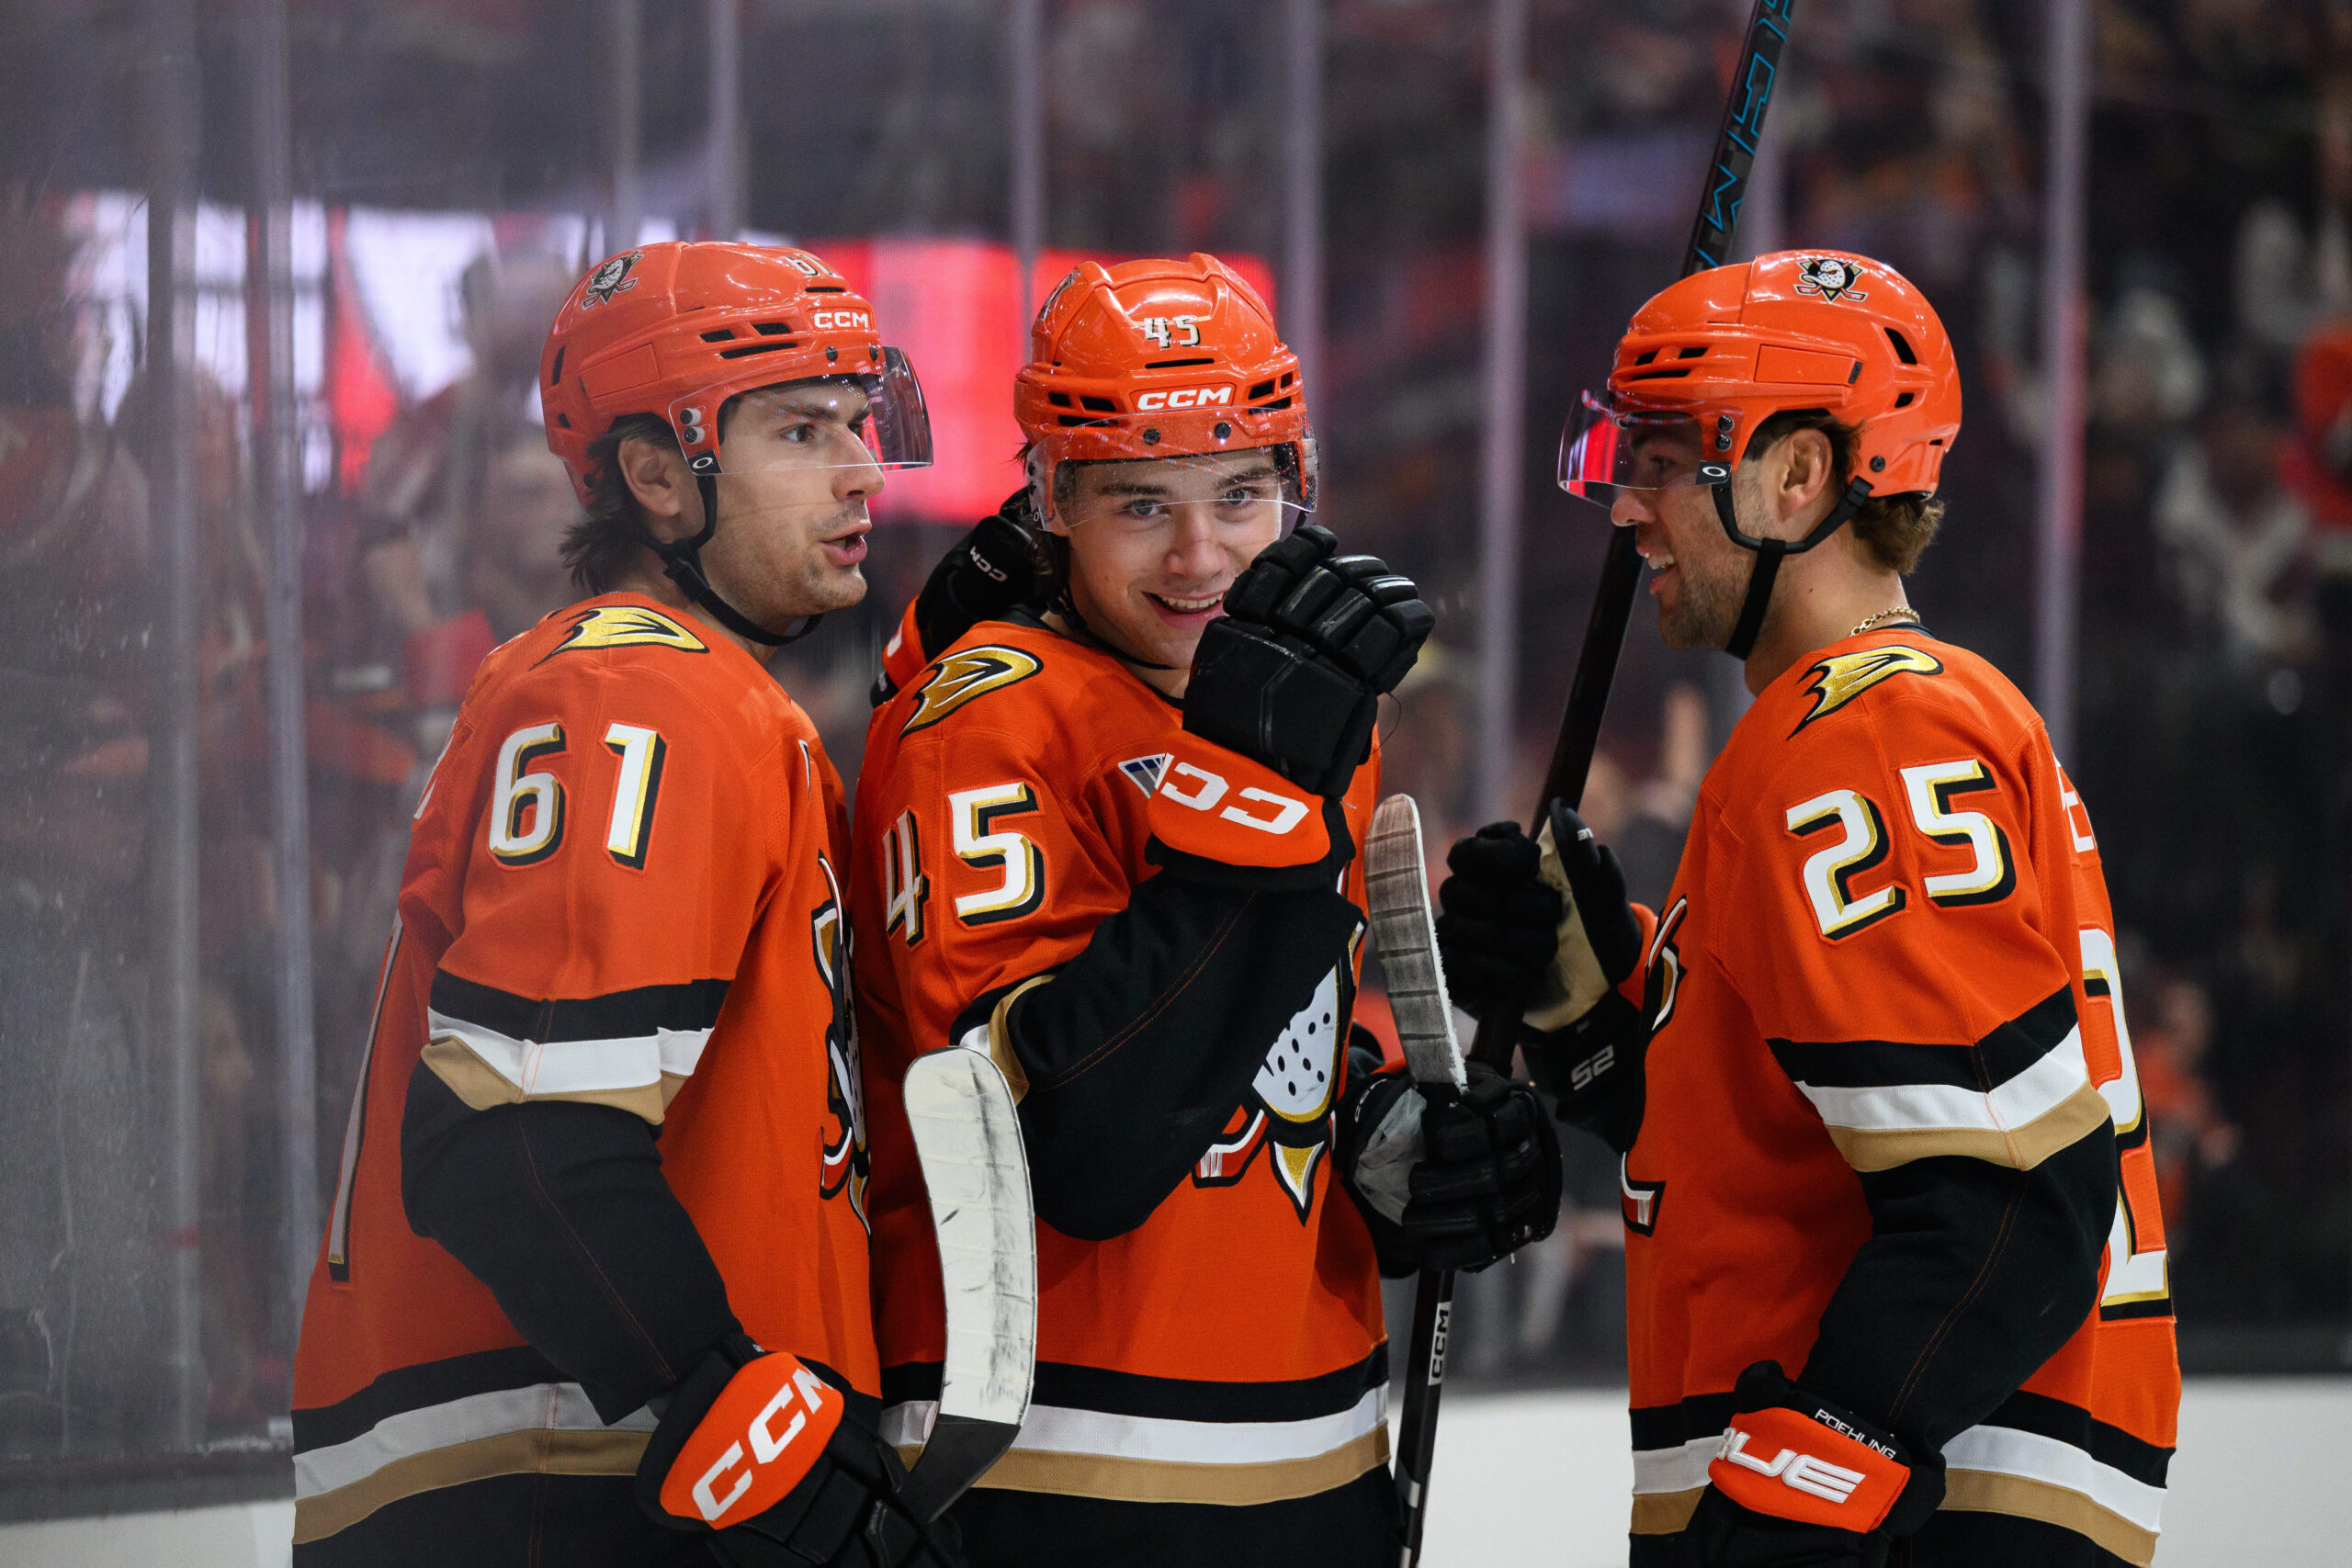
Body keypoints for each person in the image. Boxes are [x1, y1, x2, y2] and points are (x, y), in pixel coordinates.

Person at [1437, 250, 2180, 1567]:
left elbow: (2011, 1203)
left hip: (1933, 1519)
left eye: (1664, 460)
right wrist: (1599, 1022)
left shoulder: (1863, 740)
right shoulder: (1857, 729)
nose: (1629, 507)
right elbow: (1800, 1162)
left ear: (1799, 476)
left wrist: (1799, 1490)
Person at [848, 254, 1559, 1567]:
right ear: (1053, 498)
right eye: (1140, 503)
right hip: (1063, 1477)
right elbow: (1066, 1141)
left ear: (1301, 486)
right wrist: (1259, 803)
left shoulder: (1307, 721)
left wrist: (1389, 1135)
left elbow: (1260, 1056)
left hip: (1321, 1453)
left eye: (1242, 494)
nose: (1202, 555)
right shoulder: (988, 715)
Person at [289, 242, 957, 1568]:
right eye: (802, 430)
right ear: (657, 475)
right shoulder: (637, 694)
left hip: (604, 1466)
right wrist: (749, 1422)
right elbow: (517, 1144)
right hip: (566, 1479)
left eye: (860, 423)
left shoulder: (718, 706)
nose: (865, 470)